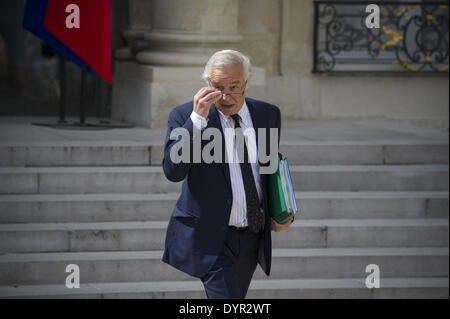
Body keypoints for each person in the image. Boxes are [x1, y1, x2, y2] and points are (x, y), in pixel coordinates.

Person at [162, 49, 293, 299]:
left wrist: (281, 210)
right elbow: (173, 171)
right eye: (218, 86)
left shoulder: (267, 115)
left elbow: (268, 169)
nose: (226, 96)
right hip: (210, 239)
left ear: (247, 82)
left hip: (251, 236)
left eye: (234, 86)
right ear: (207, 84)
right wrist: (197, 122)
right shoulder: (183, 117)